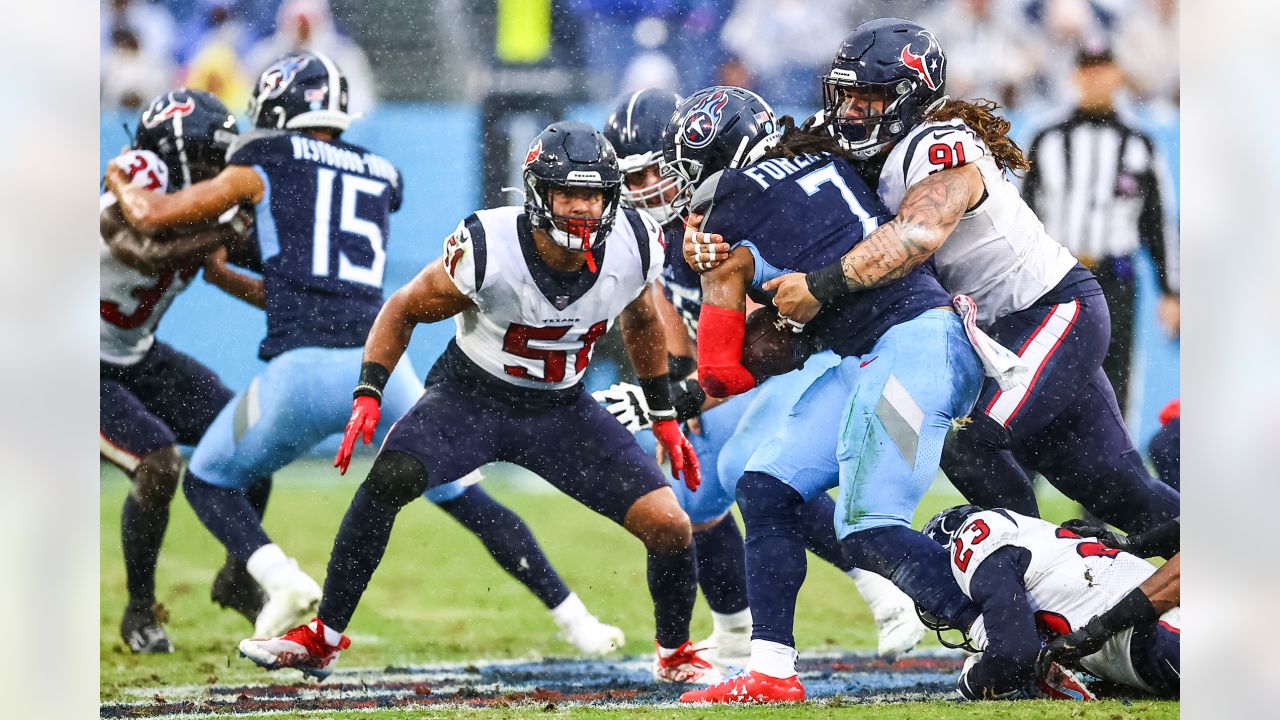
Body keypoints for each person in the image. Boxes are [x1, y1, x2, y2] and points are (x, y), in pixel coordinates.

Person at [105, 53, 625, 655]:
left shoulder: (262, 159)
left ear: (277, 109)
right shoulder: (380, 172)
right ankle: (576, 619)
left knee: (206, 478)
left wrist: (121, 173)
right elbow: (309, 272)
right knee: (465, 497)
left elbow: (153, 218)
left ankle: (279, 578)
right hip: (379, 364)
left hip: (300, 371)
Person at [236, 120, 720, 684]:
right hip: (473, 399)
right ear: (540, 193)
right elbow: (403, 308)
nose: (584, 209)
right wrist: (369, 393)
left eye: (594, 195)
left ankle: (676, 652)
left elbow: (641, 319)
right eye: (570, 193)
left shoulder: (634, 242)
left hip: (561, 409)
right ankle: (323, 637)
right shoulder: (490, 246)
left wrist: (663, 416)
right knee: (389, 478)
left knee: (669, 525)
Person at [695, 18, 1179, 535]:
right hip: (984, 335)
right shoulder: (840, 140)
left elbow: (916, 236)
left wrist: (820, 286)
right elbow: (766, 182)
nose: (851, 111)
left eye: (870, 98)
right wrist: (707, 233)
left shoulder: (940, 143)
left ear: (909, 96)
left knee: (969, 442)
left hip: (1049, 311)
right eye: (846, 95)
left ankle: (1037, 576)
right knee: (1119, 490)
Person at [659, 86, 987, 704]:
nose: (685, 188)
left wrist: (660, 397)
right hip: (898, 350)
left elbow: (723, 372)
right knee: (766, 485)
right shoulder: (826, 155)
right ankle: (771, 670)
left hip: (912, 354)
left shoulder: (729, 208)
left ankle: (1009, 634)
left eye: (690, 169)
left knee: (868, 527)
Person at [595, 87, 925, 670]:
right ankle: (734, 629)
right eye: (634, 180)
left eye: (654, 172)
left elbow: (761, 331)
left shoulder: (727, 214)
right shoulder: (653, 231)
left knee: (749, 467)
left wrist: (685, 389)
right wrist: (676, 381)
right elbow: (663, 304)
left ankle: (885, 585)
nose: (647, 190)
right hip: (729, 374)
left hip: (788, 359)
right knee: (693, 491)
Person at [100, 89, 268, 652]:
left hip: (134, 350)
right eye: (208, 155)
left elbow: (252, 266)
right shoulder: (139, 173)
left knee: (253, 437)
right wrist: (226, 228)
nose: (217, 169)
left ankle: (237, 576)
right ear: (175, 149)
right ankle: (140, 610)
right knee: (158, 464)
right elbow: (143, 251)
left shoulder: (206, 201)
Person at [1022, 44, 1180, 412]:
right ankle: (1039, 465)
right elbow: (1023, 216)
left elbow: (1156, 222)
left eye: (1103, 69)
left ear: (1117, 75)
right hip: (1058, 276)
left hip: (1115, 276)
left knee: (1116, 381)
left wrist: (1171, 291)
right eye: (1087, 69)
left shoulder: (1140, 144)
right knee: (1046, 377)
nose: (1096, 78)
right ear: (1075, 76)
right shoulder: (1044, 138)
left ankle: (1108, 468)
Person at [921, 505, 1179, 699]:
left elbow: (1013, 656)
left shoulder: (979, 543)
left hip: (1169, 633)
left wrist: (977, 681)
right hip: (1158, 648)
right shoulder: (1032, 555)